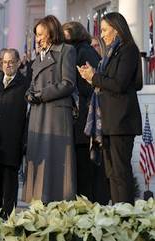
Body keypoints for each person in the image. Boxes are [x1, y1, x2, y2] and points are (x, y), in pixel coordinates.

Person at [77, 12, 142, 204]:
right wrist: (92, 76)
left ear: (117, 28)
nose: (102, 35)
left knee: (121, 172)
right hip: (106, 121)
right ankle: (117, 213)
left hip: (121, 121)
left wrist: (94, 77)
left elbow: (119, 84)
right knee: (111, 173)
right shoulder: (110, 53)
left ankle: (126, 215)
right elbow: (107, 83)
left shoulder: (128, 49)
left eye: (104, 30)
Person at [23, 15, 77, 204]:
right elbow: (32, 83)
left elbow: (68, 83)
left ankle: (58, 206)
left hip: (56, 115)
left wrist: (41, 94)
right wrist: (29, 94)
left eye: (40, 34)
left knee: (56, 160)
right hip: (38, 114)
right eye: (36, 35)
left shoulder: (66, 51)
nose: (37, 39)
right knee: (39, 159)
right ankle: (38, 207)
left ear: (51, 31)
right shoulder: (39, 56)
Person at [62, 21, 110, 204]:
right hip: (84, 118)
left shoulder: (81, 51)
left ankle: (90, 207)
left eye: (64, 35)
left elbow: (88, 85)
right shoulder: (81, 50)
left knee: (87, 168)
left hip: (85, 118)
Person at [0, 48, 28, 217]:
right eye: (5, 62)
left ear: (18, 63)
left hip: (13, 141)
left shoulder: (25, 84)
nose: (8, 65)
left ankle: (8, 221)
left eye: (12, 61)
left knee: (10, 187)